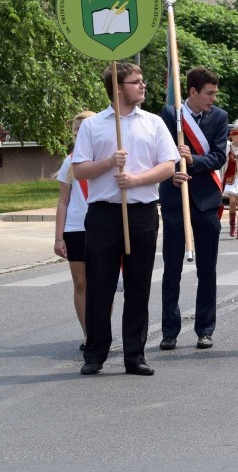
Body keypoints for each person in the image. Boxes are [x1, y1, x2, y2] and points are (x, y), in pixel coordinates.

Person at [72, 62, 180, 376]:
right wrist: (109, 162)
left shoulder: (154, 123)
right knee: (100, 287)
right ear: (119, 88)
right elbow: (79, 169)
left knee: (138, 285)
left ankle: (134, 355)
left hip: (142, 212)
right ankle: (95, 354)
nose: (142, 86)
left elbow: (168, 166)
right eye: (136, 82)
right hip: (105, 213)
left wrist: (137, 180)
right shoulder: (94, 126)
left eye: (142, 80)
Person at [158, 68, 228, 351]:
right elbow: (158, 154)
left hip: (207, 202)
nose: (213, 99)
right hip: (176, 200)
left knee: (207, 269)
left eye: (214, 93)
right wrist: (172, 172)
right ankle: (170, 330)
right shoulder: (168, 115)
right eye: (209, 93)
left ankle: (205, 328)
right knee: (172, 267)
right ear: (192, 92)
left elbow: (219, 156)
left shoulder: (220, 118)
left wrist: (194, 160)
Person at [54, 110, 95, 352]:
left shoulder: (104, 158)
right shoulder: (69, 162)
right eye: (76, 130)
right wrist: (59, 237)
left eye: (84, 129)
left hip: (102, 227)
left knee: (102, 283)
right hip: (76, 229)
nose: (80, 134)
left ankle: (101, 330)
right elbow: (63, 201)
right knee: (81, 283)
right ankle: (88, 334)